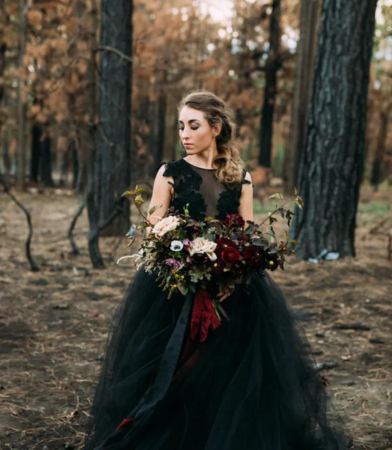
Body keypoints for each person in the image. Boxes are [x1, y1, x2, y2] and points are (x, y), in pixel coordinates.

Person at [84, 91, 353, 450]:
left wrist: (233, 273)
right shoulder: (171, 172)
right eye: (181, 126)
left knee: (229, 366)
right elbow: (153, 227)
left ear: (216, 127)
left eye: (193, 126)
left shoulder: (238, 177)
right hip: (175, 284)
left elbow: (246, 233)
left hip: (232, 286)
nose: (185, 133)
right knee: (173, 364)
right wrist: (175, 253)